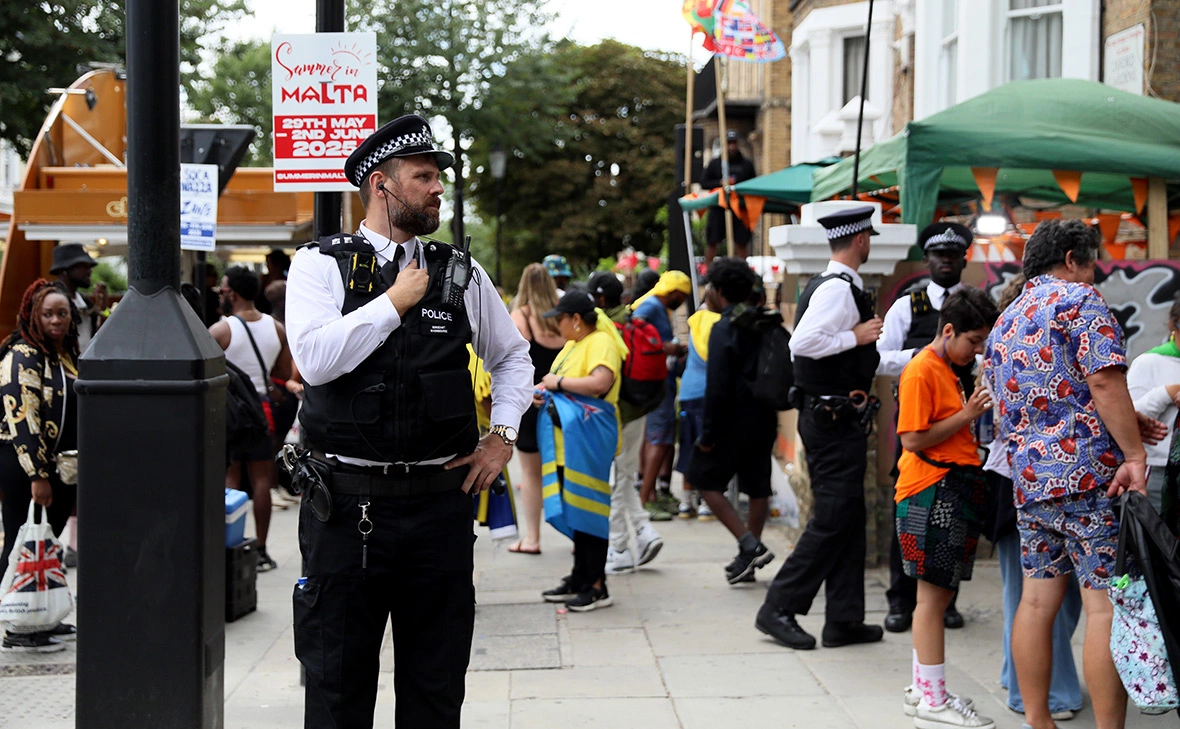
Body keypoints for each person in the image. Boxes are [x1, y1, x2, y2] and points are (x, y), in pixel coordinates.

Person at [285, 114, 533, 729]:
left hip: (437, 509)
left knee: (436, 685)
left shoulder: (460, 272)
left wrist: (502, 436)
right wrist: (392, 304)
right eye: (423, 177)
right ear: (381, 185)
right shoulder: (319, 264)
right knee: (337, 686)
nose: (436, 190)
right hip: (343, 510)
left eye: (438, 179)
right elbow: (314, 361)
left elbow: (513, 355)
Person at [983, 219, 1153, 729]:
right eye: (1093, 262)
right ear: (1075, 257)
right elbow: (1102, 380)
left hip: (1030, 481)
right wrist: (1135, 454)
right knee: (1104, 609)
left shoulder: (1005, 319)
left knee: (1035, 603)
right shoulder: (1080, 300)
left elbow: (1031, 398)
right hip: (1088, 479)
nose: (1095, 272)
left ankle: (1038, 720)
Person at [756, 205, 884, 651]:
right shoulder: (838, 290)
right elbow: (803, 343)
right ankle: (778, 606)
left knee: (848, 518)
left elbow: (857, 359)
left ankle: (844, 620)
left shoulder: (835, 285)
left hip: (835, 417)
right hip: (831, 421)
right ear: (862, 241)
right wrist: (857, 336)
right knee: (833, 518)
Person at [894, 288, 999, 729]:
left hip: (946, 488)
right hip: (930, 490)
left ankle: (925, 690)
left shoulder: (948, 367)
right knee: (933, 599)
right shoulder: (922, 370)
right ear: (949, 330)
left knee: (935, 597)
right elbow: (912, 439)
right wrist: (969, 413)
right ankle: (933, 701)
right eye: (974, 341)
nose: (977, 349)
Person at [985, 274, 1084, 723]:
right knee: (1043, 600)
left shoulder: (999, 350)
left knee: (1030, 596)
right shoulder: (1037, 347)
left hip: (1017, 480)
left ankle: (1019, 678)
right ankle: (1050, 693)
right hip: (1037, 478)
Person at [878, 223, 974, 633]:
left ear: (964, 260)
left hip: (963, 428)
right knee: (913, 513)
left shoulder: (974, 306)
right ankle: (901, 600)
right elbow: (879, 360)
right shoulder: (909, 305)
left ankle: (945, 600)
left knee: (955, 516)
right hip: (919, 424)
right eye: (938, 255)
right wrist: (922, 355)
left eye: (953, 255)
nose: (946, 261)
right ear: (928, 260)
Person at [687, 258, 780, 584]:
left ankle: (748, 544)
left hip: (731, 420)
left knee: (704, 480)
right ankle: (747, 561)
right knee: (757, 486)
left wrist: (709, 433)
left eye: (710, 287)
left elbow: (717, 387)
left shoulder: (724, 328)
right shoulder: (765, 322)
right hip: (765, 416)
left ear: (720, 291)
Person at [0, 280, 80, 653]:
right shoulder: (22, 354)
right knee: (23, 545)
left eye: (62, 313)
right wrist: (37, 475)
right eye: (48, 314)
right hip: (27, 468)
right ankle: (16, 622)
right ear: (33, 314)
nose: (55, 320)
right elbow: (23, 418)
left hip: (60, 469)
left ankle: (43, 616)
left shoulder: (61, 353)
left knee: (46, 545)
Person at [536, 291, 627, 611]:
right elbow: (557, 383)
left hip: (588, 438)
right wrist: (542, 390)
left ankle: (597, 585)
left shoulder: (601, 341)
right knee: (575, 509)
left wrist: (556, 384)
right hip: (567, 441)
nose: (556, 326)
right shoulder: (573, 344)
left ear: (576, 319)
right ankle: (580, 576)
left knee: (590, 509)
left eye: (560, 319)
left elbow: (600, 382)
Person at [209, 266, 293, 571]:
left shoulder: (221, 330)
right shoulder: (276, 328)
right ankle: (260, 548)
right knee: (260, 480)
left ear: (234, 293)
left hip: (228, 409)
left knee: (230, 478)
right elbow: (284, 372)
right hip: (262, 411)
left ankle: (230, 545)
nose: (221, 295)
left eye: (223, 289)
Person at [589, 271, 664, 574]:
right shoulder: (631, 318)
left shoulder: (605, 327)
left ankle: (618, 548)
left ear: (602, 298)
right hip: (639, 409)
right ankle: (646, 533)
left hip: (617, 412)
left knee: (616, 480)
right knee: (625, 472)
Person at [507, 263, 565, 555]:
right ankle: (579, 537)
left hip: (533, 403)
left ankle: (532, 539)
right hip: (564, 402)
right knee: (566, 470)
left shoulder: (521, 317)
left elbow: (510, 363)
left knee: (530, 475)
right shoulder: (564, 315)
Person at [631, 271, 691, 515]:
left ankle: (651, 494)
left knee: (652, 437)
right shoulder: (652, 306)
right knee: (658, 438)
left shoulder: (656, 306)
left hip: (660, 381)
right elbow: (634, 326)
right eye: (683, 295)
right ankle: (645, 501)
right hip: (656, 382)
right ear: (674, 292)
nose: (683, 300)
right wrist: (664, 347)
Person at [674, 272, 723, 521]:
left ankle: (686, 503)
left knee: (688, 445)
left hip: (688, 391)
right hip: (708, 392)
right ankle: (706, 501)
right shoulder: (717, 322)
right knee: (708, 446)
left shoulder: (695, 320)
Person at [1126, 294, 1180, 513]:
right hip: (1159, 472)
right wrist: (1167, 392)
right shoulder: (1149, 363)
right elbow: (1129, 417)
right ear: (1174, 325)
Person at [702, 129, 757, 262]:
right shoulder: (715, 163)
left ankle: (742, 269)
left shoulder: (746, 164)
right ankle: (708, 272)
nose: (731, 146)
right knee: (712, 240)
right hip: (719, 206)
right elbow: (704, 182)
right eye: (729, 143)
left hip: (739, 207)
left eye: (734, 143)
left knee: (741, 241)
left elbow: (753, 183)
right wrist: (720, 183)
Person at [50, 243, 104, 352]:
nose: (89, 271)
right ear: (64, 270)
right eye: (83, 266)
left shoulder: (86, 302)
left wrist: (103, 306)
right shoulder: (50, 300)